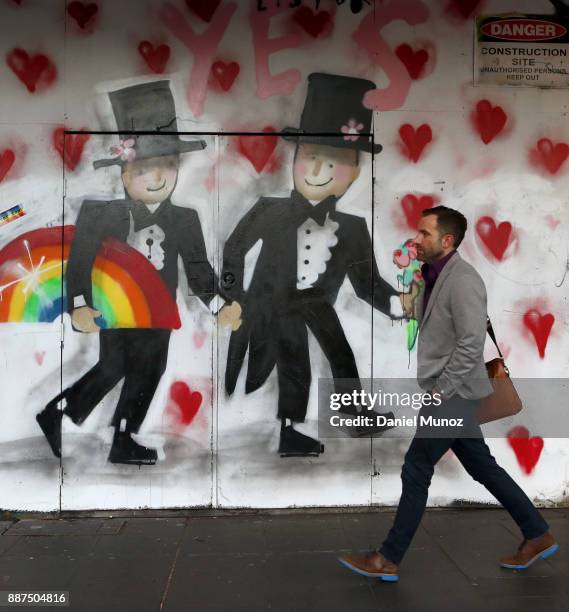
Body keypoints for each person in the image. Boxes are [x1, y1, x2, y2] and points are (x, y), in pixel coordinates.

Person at [339, 206, 558, 581]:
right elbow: (428, 324)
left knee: (416, 467)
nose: (416, 239)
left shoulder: (463, 280)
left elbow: (471, 345)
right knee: (482, 466)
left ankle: (387, 558)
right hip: (451, 391)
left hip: (452, 393)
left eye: (424, 233)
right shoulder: (433, 275)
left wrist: (441, 392)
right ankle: (536, 533)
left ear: (447, 240)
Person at [36, 81, 240, 466]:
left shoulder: (185, 219)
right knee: (113, 366)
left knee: (150, 370)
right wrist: (80, 306)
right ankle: (60, 412)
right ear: (125, 172)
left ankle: (120, 435)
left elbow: (198, 271)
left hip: (158, 311)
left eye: (167, 165)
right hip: (115, 307)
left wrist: (218, 304)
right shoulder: (102, 215)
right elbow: (79, 262)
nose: (158, 177)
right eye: (145, 167)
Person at [220, 73, 406, 458]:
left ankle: (354, 413)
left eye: (335, 162)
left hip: (316, 302)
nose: (319, 170)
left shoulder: (353, 228)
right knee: (295, 361)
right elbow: (235, 247)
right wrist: (233, 295)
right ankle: (290, 431)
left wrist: (397, 304)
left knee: (341, 354)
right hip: (276, 300)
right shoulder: (269, 211)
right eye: (311, 157)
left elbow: (367, 282)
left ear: (354, 171)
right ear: (296, 158)